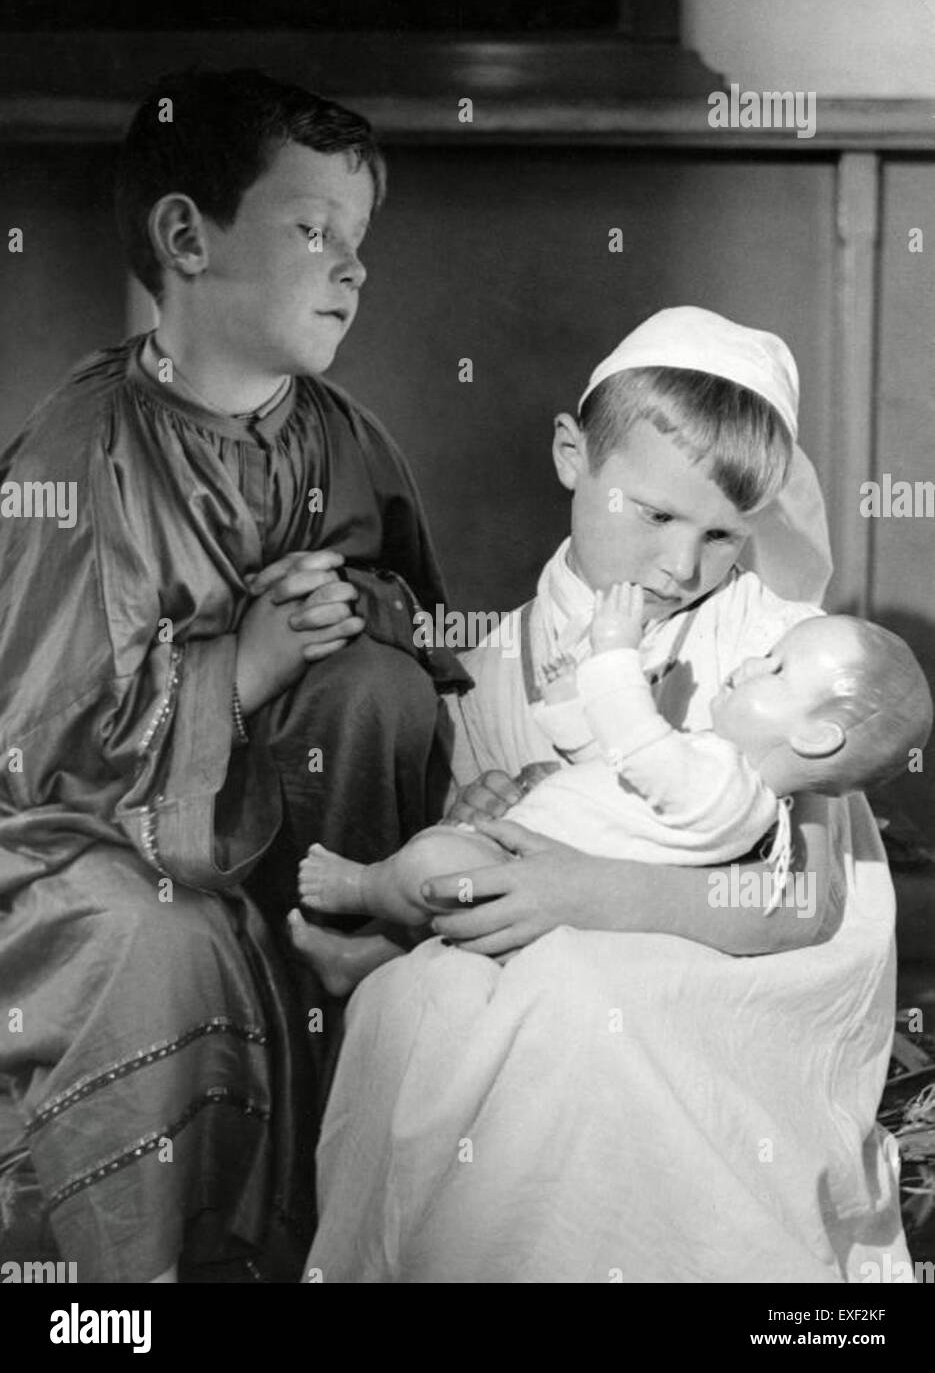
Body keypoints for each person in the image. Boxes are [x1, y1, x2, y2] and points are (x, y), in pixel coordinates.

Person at [304, 307, 918, 1283]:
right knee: (411, 1003)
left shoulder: (767, 645)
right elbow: (494, 849)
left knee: (575, 1003)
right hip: (540, 917)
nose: (680, 566)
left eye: (721, 535)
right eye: (654, 515)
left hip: (730, 945)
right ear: (568, 456)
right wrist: (478, 821)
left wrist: (590, 893)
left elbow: (808, 903)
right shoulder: (499, 657)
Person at [0, 69, 466, 1283]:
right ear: (183, 237)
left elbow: (425, 618)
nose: (352, 270)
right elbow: (46, 746)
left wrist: (357, 611)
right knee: (167, 937)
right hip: (80, 839)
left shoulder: (347, 438)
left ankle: (350, 1025)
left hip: (297, 826)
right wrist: (242, 664)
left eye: (359, 243)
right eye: (314, 231)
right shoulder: (82, 452)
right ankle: (152, 1283)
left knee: (381, 691)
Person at [291, 603, 932, 994]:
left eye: (777, 669)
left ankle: (361, 887)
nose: (750, 664)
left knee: (432, 870)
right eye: (767, 654)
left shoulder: (728, 789)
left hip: (529, 877)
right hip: (522, 847)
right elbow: (614, 767)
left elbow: (639, 747)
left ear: (816, 737)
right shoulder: (716, 763)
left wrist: (612, 658)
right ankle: (358, 958)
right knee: (445, 907)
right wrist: (571, 716)